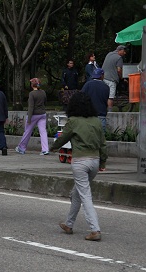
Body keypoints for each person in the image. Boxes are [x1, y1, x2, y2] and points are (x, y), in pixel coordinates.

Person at [51, 92, 107, 241]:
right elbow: (103, 143)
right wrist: (103, 162)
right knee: (77, 193)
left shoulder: (73, 121)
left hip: (80, 162)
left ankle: (95, 229)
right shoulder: (96, 121)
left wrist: (53, 147)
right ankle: (69, 224)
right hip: (95, 160)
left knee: (85, 196)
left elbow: (63, 138)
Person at [15, 78, 49, 155]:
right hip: (42, 114)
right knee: (43, 132)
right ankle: (45, 149)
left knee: (27, 132)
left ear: (32, 85)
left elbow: (31, 107)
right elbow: (45, 102)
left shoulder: (32, 94)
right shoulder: (43, 92)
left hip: (34, 115)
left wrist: (29, 118)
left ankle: (21, 148)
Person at [81, 68, 110, 133]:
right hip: (101, 115)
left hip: (89, 116)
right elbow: (106, 99)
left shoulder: (87, 85)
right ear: (102, 75)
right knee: (100, 139)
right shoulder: (106, 87)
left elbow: (81, 97)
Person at [102, 45, 127, 112]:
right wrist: (122, 78)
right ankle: (110, 112)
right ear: (120, 50)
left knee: (104, 95)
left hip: (103, 78)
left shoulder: (109, 54)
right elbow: (119, 70)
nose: (125, 53)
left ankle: (102, 109)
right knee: (111, 97)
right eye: (124, 51)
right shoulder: (119, 58)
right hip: (111, 80)